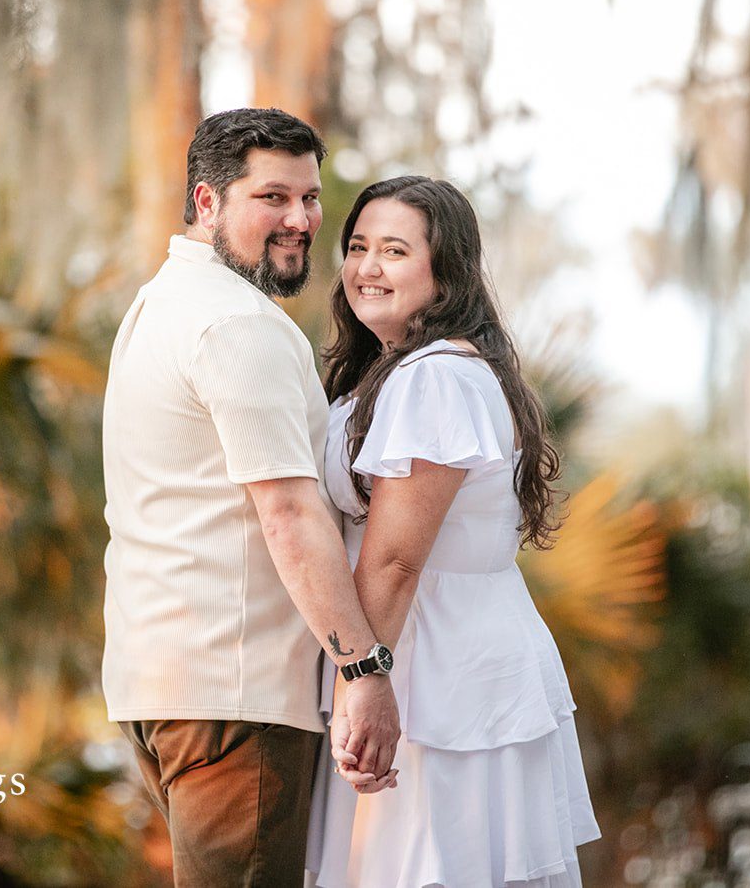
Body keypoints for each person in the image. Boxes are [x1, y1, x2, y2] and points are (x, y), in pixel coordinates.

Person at [102, 108, 403, 887]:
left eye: (310, 197)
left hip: (164, 684)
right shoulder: (237, 324)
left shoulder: (160, 304)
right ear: (207, 201)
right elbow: (290, 514)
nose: (301, 219)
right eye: (273, 197)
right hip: (236, 698)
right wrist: (364, 667)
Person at [305, 176, 602, 888]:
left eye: (394, 250)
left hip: (437, 677)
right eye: (357, 247)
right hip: (418, 656)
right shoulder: (397, 372)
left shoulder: (435, 378)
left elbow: (396, 559)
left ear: (447, 272)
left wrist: (361, 680)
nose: (367, 267)